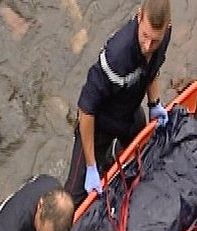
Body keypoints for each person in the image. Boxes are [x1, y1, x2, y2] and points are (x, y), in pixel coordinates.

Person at [65, 0, 172, 206]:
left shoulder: (163, 36)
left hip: (129, 114)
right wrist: (90, 165)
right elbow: (86, 109)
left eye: (155, 41)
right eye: (145, 36)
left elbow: (153, 70)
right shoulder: (117, 56)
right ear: (139, 17)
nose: (148, 46)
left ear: (167, 27)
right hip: (98, 127)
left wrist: (154, 103)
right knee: (73, 198)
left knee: (142, 152)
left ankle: (114, 162)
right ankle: (98, 165)